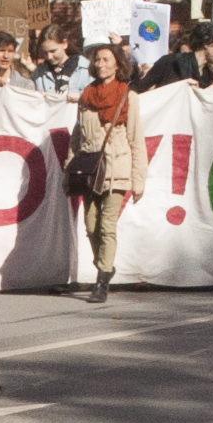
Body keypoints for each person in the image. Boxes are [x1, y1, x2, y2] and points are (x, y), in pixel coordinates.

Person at [68, 43, 140, 304]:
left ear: (118, 64)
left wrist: (138, 180)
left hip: (116, 169)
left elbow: (136, 139)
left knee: (107, 226)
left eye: (107, 59)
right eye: (97, 60)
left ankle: (101, 281)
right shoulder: (87, 95)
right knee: (90, 225)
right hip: (89, 169)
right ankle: (107, 267)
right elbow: (77, 134)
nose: (101, 64)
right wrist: (70, 164)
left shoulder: (128, 96)